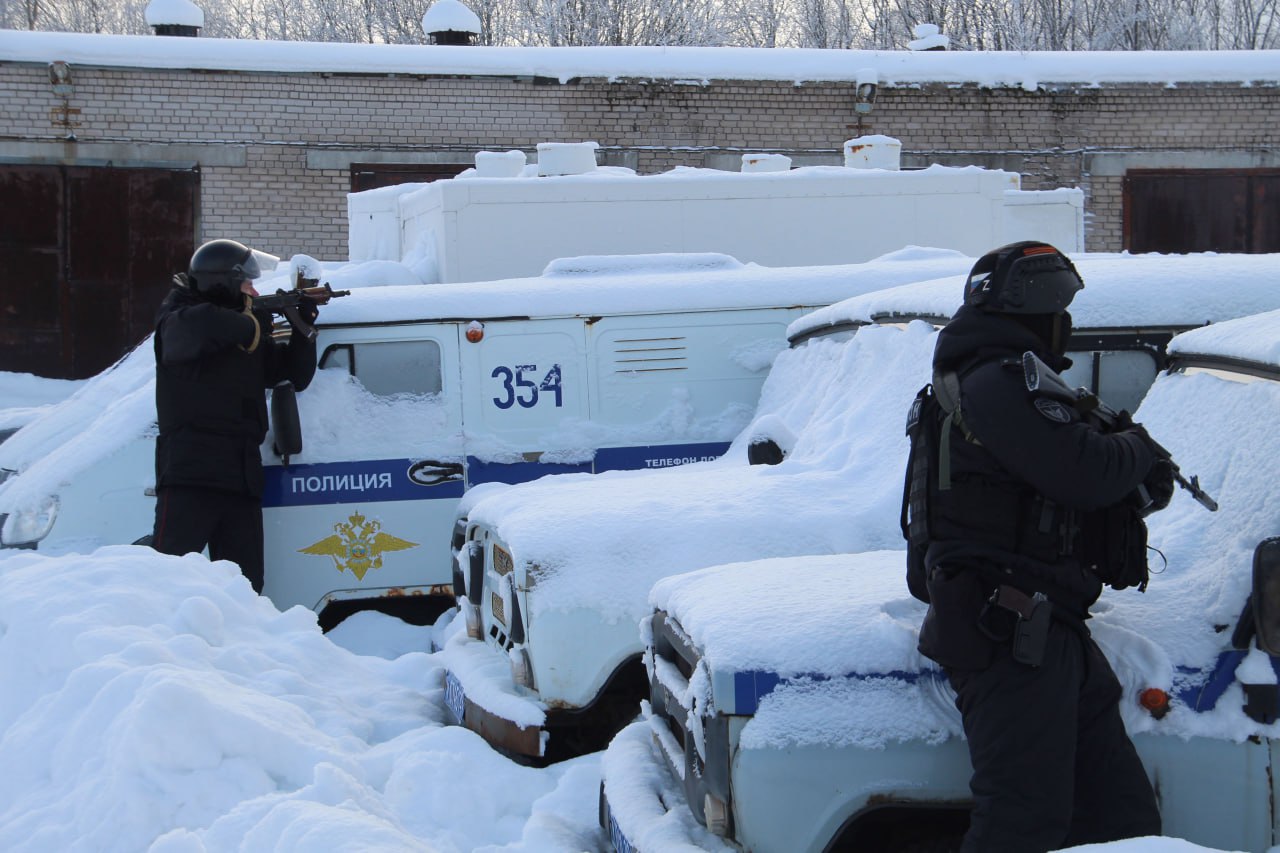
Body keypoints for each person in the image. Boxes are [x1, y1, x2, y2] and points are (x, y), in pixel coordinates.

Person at [903, 241, 1174, 851]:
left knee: (1119, 820)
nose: (1067, 325)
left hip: (1047, 630)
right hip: (1010, 633)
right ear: (1034, 309)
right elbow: (1086, 469)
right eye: (1061, 309)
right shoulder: (1000, 382)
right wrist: (1141, 448)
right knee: (1020, 827)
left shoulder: (997, 380)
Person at [150, 239, 317, 593]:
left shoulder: (245, 333)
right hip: (190, 477)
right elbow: (207, 326)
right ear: (222, 283)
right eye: (247, 285)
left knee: (245, 589)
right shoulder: (179, 320)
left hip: (240, 477)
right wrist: (256, 317)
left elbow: (293, 375)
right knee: (166, 584)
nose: (254, 292)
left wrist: (304, 328)